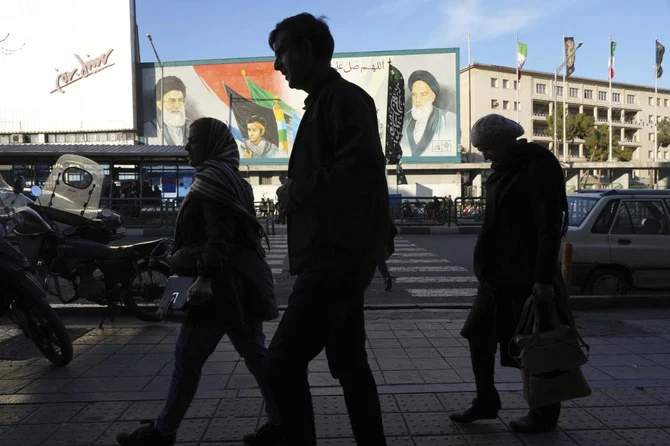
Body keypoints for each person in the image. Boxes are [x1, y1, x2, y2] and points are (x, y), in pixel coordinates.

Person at [116, 118, 284, 446]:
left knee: (187, 360)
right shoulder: (232, 178)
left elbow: (219, 238)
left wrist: (204, 278)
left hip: (218, 291)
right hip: (241, 288)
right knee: (256, 358)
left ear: (210, 143)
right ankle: (282, 423)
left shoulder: (213, 181)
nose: (187, 147)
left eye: (193, 140)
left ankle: (163, 432)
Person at [267, 13, 389, 446]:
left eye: (281, 53)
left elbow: (359, 172)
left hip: (333, 257)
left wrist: (297, 192)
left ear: (305, 49)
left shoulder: (343, 99)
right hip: (335, 253)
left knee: (281, 360)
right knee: (349, 363)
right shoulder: (325, 101)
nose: (278, 65)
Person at [448, 114, 571, 433]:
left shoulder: (535, 168)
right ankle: (486, 400)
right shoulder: (504, 169)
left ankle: (545, 414)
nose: (484, 154)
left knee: (536, 343)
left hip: (525, 278)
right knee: (478, 335)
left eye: (487, 147)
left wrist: (543, 280)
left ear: (505, 142)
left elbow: (548, 228)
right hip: (496, 278)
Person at [400, 70, 456, 157]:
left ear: (432, 97)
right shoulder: (402, 121)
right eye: (414, 95)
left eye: (423, 94)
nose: (417, 100)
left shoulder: (449, 119)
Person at [144, 75, 191, 145]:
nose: (177, 106)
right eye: (172, 101)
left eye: (180, 100)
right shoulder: (150, 129)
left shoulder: (193, 127)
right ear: (159, 104)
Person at [377, 217, 397, 291]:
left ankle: (387, 278)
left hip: (379, 247)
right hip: (389, 247)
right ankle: (387, 278)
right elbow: (395, 231)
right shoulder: (386, 219)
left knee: (379, 262)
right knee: (379, 262)